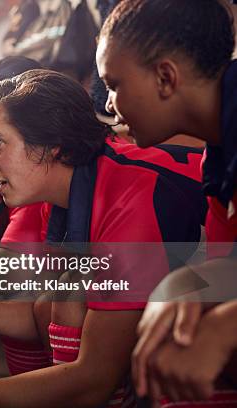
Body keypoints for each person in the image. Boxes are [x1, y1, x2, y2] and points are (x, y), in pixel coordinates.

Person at [0, 69, 203, 408]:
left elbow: (94, 378)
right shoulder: (63, 192)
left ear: (52, 146)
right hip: (191, 293)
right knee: (59, 298)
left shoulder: (129, 200)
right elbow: (38, 303)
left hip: (219, 306)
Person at [96, 0, 237, 405]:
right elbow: (229, 266)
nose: (109, 104)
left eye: (114, 84)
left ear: (164, 77)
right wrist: (175, 287)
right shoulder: (219, 157)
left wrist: (227, 325)